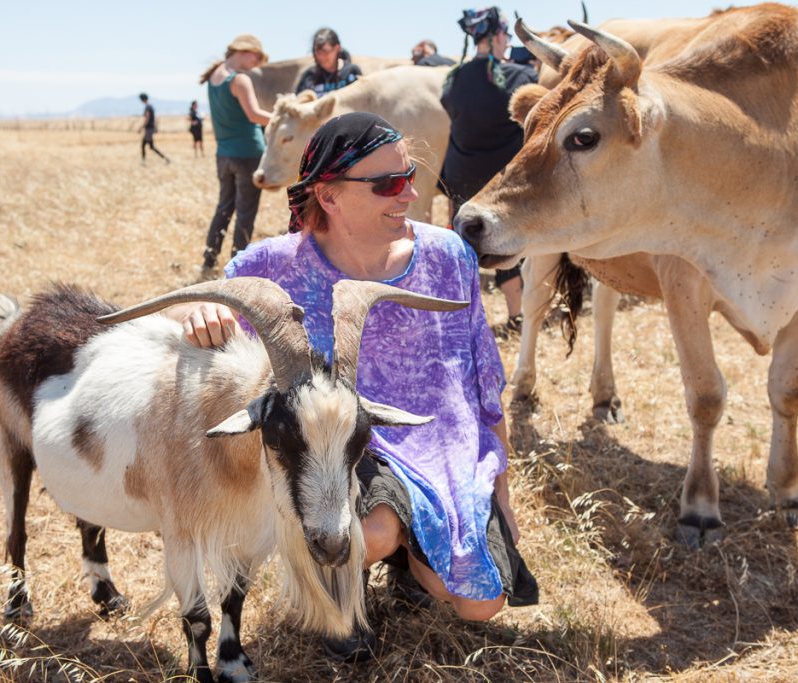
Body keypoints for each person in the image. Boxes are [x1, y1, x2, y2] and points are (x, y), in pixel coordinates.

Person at [170, 112, 538, 661]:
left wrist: (500, 493)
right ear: (331, 196)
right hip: (344, 448)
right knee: (371, 531)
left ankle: (410, 560)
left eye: (410, 175)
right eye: (389, 183)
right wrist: (198, 311)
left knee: (476, 604)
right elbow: (211, 309)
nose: (411, 193)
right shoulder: (273, 265)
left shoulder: (447, 256)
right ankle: (344, 591)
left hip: (443, 449)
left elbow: (484, 381)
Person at [440, 7, 538, 332]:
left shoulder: (453, 78)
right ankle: (516, 316)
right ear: (497, 36)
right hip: (499, 181)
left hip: (461, 175)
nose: (507, 41)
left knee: (464, 248)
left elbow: (450, 108)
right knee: (504, 247)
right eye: (506, 36)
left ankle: (462, 320)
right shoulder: (518, 76)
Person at [198, 35, 273, 276]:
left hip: (224, 155)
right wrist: (285, 120)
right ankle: (238, 268)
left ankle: (209, 259)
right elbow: (254, 116)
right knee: (246, 212)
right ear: (245, 51)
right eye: (257, 58)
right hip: (248, 153)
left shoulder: (214, 77)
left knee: (224, 207)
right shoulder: (240, 80)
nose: (257, 64)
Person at [294, 28, 363, 97]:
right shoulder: (309, 77)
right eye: (317, 52)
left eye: (325, 51)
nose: (321, 57)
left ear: (336, 48)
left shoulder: (351, 73)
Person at [138, 93, 169, 164]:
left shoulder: (148, 107)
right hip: (150, 129)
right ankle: (165, 159)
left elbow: (147, 118)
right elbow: (154, 119)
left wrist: (141, 127)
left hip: (149, 129)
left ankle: (165, 159)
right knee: (147, 145)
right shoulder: (150, 106)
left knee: (147, 146)